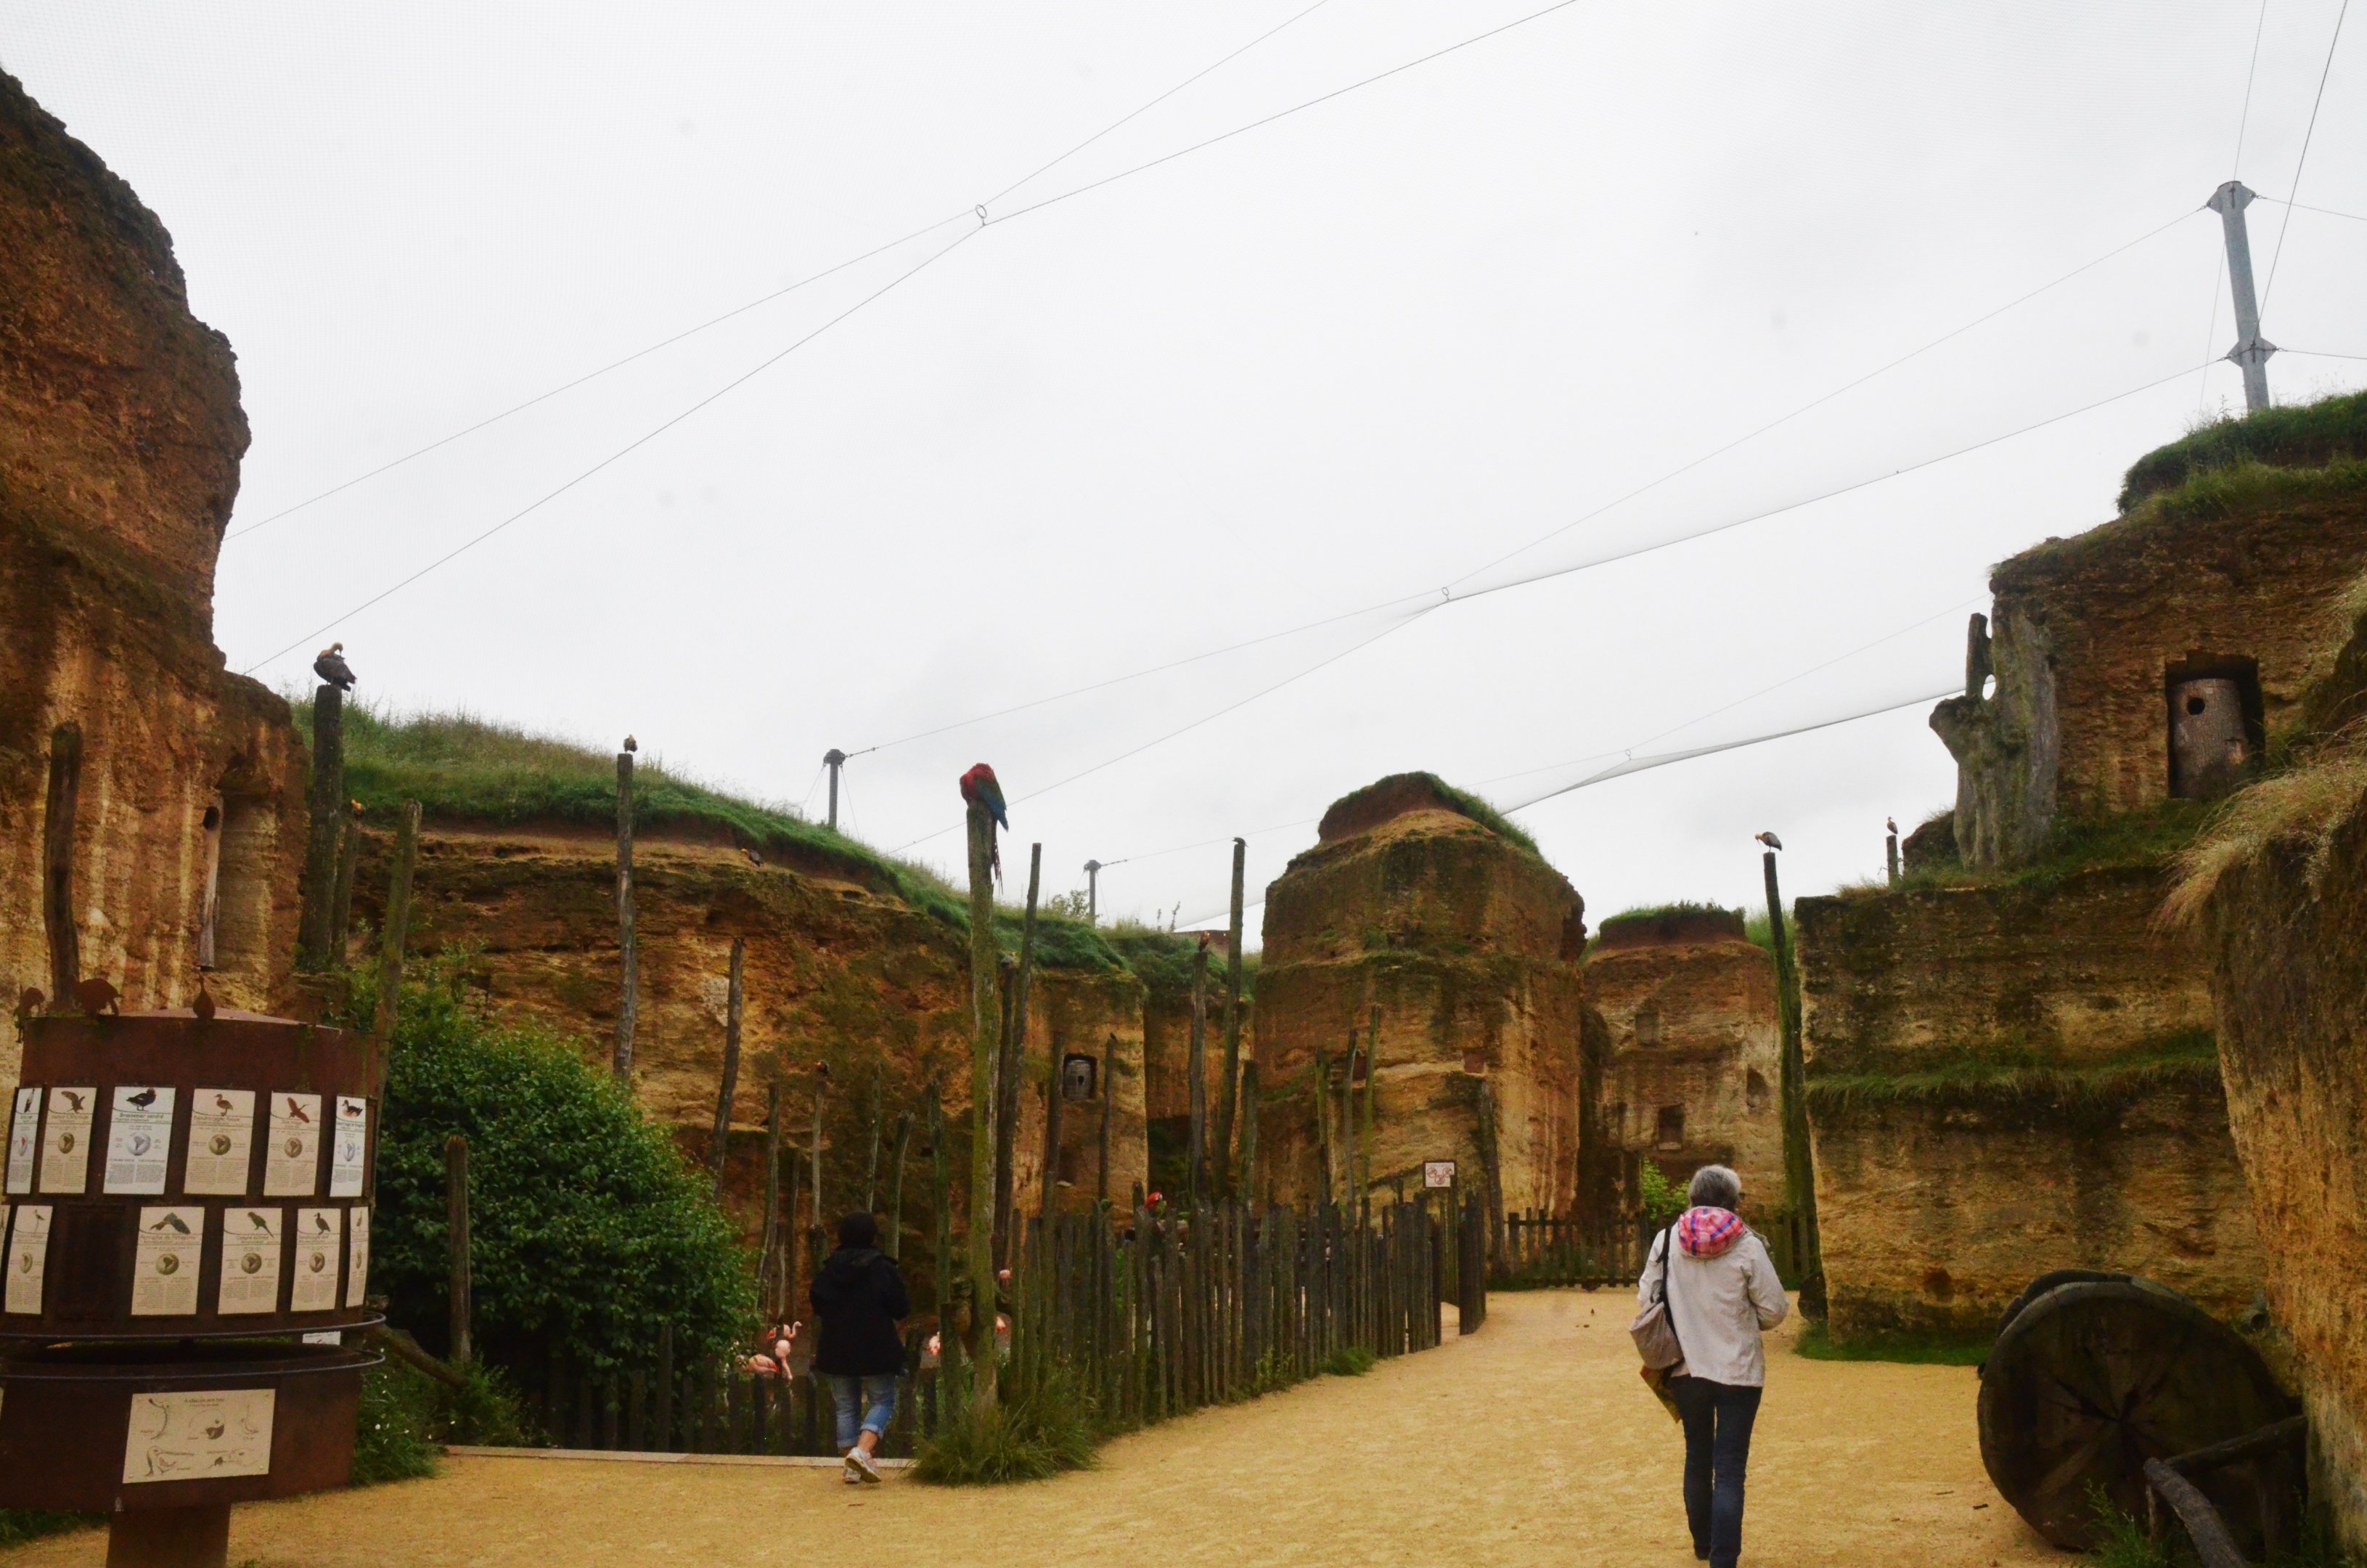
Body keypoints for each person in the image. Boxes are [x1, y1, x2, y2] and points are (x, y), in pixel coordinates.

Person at [1635, 1164, 1788, 1568]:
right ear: (1734, 1202)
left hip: (1685, 1367)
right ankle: (1724, 1558)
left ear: (1691, 1198)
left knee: (1698, 1455)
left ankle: (1703, 1544)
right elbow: (1774, 1309)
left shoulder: (1667, 1239)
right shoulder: (1748, 1244)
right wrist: (1745, 1321)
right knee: (1730, 1467)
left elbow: (1647, 1300)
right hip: (1739, 1370)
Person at [809, 1211, 910, 1484]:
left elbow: (817, 1302)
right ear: (872, 1236)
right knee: (883, 1400)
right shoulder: (882, 1268)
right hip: (876, 1347)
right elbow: (901, 1307)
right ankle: (862, 1452)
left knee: (846, 1406)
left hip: (836, 1347)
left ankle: (852, 1467)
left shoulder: (829, 1269)